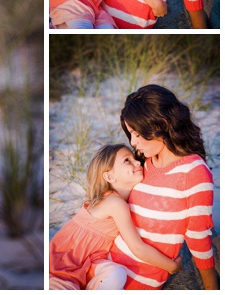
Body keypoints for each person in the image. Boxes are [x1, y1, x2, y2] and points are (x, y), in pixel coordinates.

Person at [110, 85, 217, 290]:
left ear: (162, 124)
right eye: (130, 134)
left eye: (137, 134)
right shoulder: (144, 163)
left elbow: (198, 237)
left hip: (139, 278)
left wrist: (212, 288)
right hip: (106, 262)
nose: (133, 142)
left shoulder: (193, 172)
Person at [49, 144, 181, 289]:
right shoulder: (115, 203)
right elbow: (137, 248)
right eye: (127, 160)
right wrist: (172, 266)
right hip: (63, 266)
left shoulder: (117, 200)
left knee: (116, 274)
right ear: (110, 176)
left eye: (134, 158)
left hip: (90, 262)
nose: (137, 162)